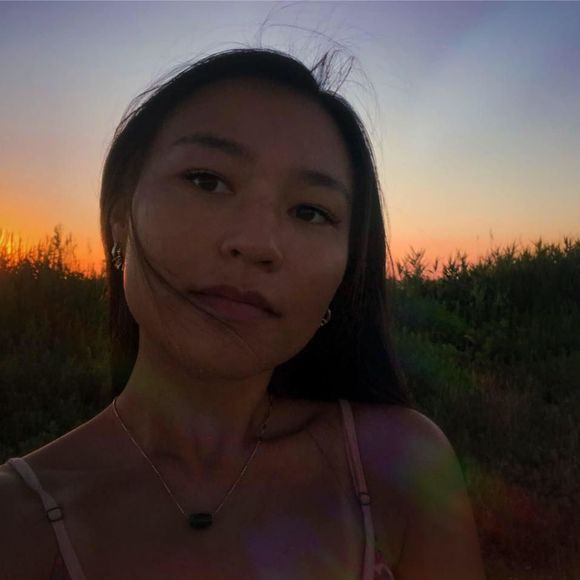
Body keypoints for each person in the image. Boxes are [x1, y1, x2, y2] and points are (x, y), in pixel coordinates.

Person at [0, 48, 485, 579]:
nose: (256, 243)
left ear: (347, 271)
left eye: (310, 211)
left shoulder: (399, 467)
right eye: (207, 180)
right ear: (121, 214)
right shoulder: (17, 523)